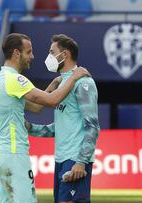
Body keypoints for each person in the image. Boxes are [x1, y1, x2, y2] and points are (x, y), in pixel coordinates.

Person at [0, 33, 91, 203]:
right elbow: (52, 101)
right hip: (14, 153)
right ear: (16, 53)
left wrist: (52, 85)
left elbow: (36, 107)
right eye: (28, 52)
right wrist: (73, 77)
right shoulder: (15, 79)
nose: (32, 57)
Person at [27, 34, 100, 203]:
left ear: (64, 55)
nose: (49, 57)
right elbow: (59, 127)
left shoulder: (83, 82)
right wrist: (29, 127)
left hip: (75, 161)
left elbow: (92, 126)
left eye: (52, 52)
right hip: (61, 160)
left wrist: (81, 162)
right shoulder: (61, 83)